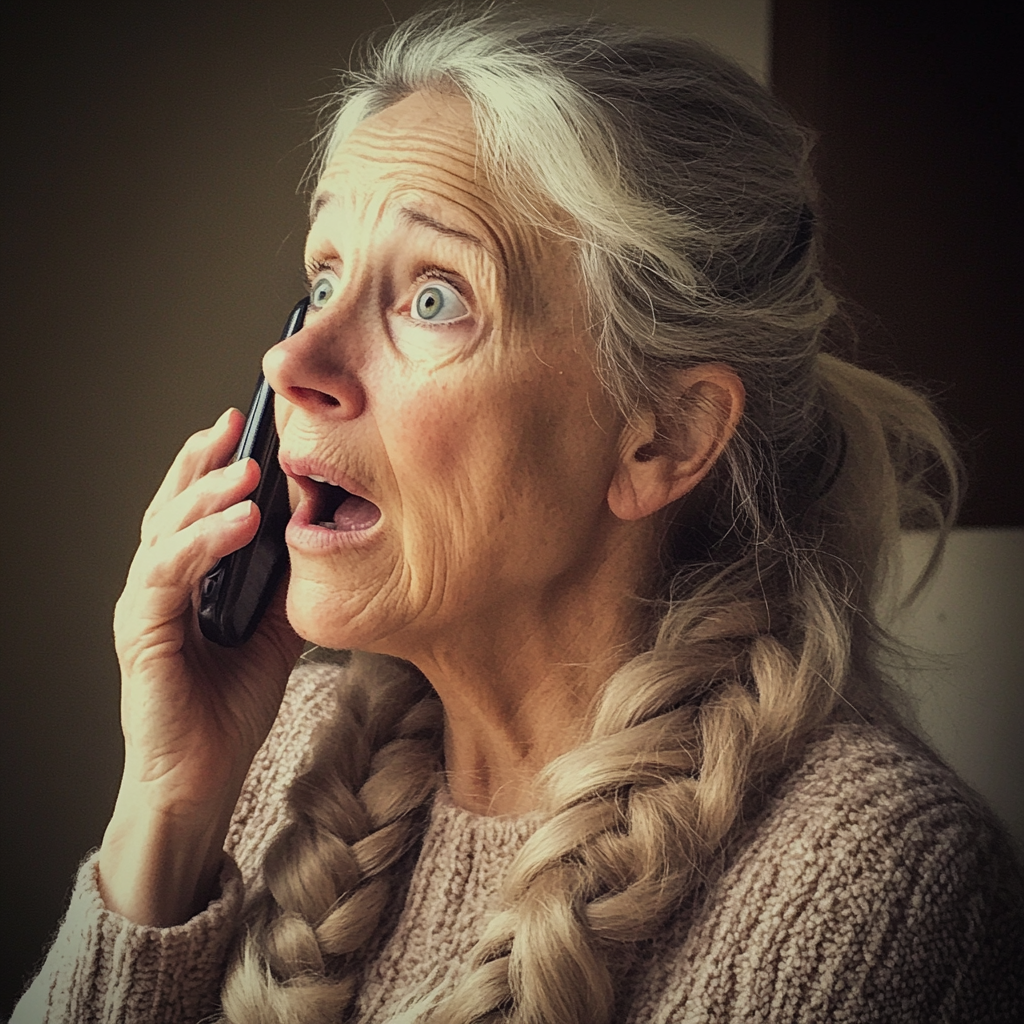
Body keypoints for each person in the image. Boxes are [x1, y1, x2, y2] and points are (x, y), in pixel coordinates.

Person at [13, 9, 1023, 1024]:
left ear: (663, 436)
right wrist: (167, 806)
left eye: (434, 299)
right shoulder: (281, 754)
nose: (293, 362)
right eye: (324, 281)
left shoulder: (875, 882)